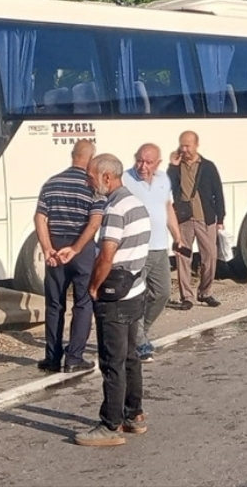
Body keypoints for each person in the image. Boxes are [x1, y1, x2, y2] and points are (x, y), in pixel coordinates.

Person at [76, 153, 151, 447]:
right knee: (132, 356)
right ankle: (135, 415)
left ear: (107, 177)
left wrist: (93, 287)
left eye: (91, 177)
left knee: (112, 361)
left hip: (115, 296)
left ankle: (111, 424)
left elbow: (107, 254)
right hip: (135, 289)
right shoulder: (136, 203)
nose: (89, 183)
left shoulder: (115, 209)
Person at [34, 139, 105, 374]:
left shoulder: (51, 183)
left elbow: (40, 219)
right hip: (80, 249)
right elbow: (94, 224)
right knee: (83, 303)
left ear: (72, 155)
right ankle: (74, 357)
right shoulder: (92, 186)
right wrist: (76, 247)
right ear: (90, 157)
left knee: (55, 304)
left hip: (55, 246)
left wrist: (47, 248)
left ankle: (52, 357)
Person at [122, 143, 183, 363]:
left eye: (148, 162)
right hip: (136, 249)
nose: (142, 166)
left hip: (159, 249)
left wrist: (177, 236)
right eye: (139, 160)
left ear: (157, 163)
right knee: (137, 296)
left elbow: (167, 207)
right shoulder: (125, 180)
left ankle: (140, 332)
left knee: (162, 293)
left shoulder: (163, 180)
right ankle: (140, 343)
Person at [167, 131, 225, 308]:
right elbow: (166, 186)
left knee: (210, 257)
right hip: (184, 219)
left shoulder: (208, 166)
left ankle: (205, 292)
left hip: (205, 218)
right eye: (182, 145)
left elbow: (218, 192)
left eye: (187, 145)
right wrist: (173, 166)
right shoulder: (177, 167)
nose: (184, 149)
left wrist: (220, 217)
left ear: (196, 145)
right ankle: (187, 297)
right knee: (183, 258)